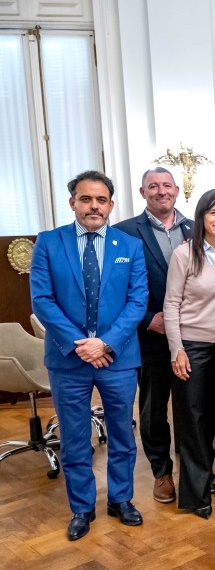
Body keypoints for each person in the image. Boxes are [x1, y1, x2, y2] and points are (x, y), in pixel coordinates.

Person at [31, 170, 148, 540]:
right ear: (73, 203)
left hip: (118, 358)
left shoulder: (128, 246)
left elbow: (137, 301)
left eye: (101, 200)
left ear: (111, 205)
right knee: (76, 436)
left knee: (122, 434)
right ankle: (81, 507)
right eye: (86, 199)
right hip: (69, 360)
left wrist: (106, 343)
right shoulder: (49, 243)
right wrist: (83, 345)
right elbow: (43, 301)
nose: (93, 206)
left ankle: (121, 498)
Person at [113, 167, 193, 504]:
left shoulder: (197, 228)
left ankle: (195, 469)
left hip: (192, 338)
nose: (161, 191)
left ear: (177, 190)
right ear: (142, 191)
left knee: (192, 408)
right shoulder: (123, 233)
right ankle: (162, 472)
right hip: (150, 340)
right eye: (153, 186)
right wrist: (147, 319)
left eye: (166, 186)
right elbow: (114, 293)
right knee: (153, 409)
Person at [164, 189, 215, 518]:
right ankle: (197, 496)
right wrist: (176, 349)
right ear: (201, 218)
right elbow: (171, 305)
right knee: (194, 423)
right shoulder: (185, 254)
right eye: (214, 213)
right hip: (193, 348)